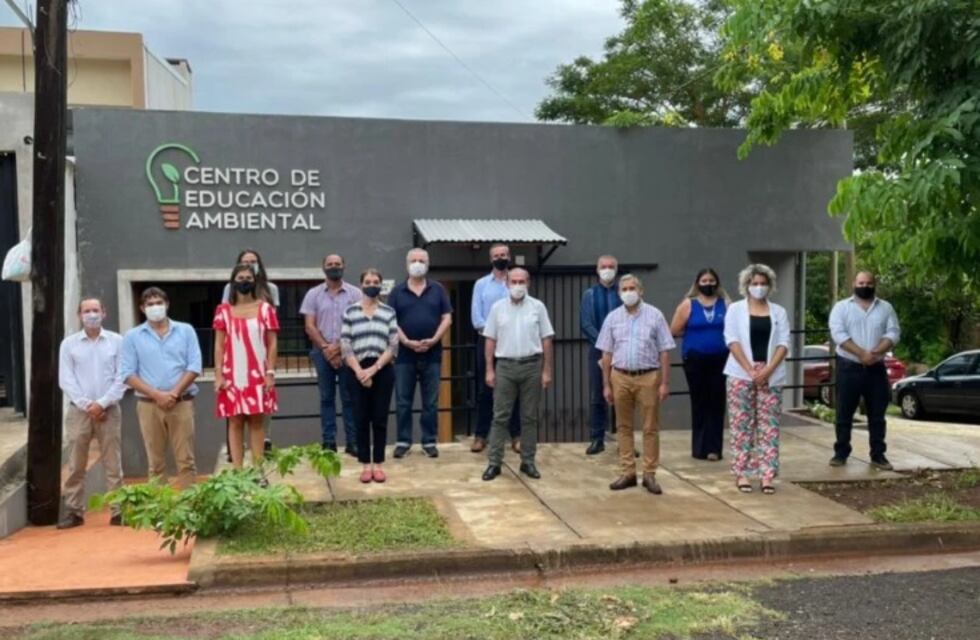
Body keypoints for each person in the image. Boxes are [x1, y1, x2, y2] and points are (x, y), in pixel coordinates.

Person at [598, 274, 675, 495]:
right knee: (623, 426)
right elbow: (606, 352)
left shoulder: (655, 315)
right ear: (619, 292)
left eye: (632, 288)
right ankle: (628, 472)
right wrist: (606, 384)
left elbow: (665, 350)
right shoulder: (612, 318)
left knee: (650, 426)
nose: (628, 292)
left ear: (641, 291)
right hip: (619, 375)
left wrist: (665, 382)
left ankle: (649, 473)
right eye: (624, 289)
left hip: (648, 376)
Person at [56, 298, 127, 529]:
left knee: (112, 461)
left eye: (96, 310)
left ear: (104, 313)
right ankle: (73, 511)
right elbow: (66, 379)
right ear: (79, 315)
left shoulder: (117, 341)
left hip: (110, 410)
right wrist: (89, 405)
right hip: (79, 412)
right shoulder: (69, 344)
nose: (91, 314)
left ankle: (119, 510)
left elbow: (122, 376)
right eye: (87, 311)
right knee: (76, 463)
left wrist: (103, 403)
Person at [122, 287, 202, 489]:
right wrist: (157, 395)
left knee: (186, 461)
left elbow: (194, 366)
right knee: (155, 464)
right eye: (150, 304)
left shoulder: (186, 331)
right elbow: (128, 374)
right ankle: (160, 512)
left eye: (159, 303)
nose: (155, 307)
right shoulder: (132, 337)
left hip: (181, 402)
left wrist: (174, 393)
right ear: (142, 308)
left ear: (167, 304)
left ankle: (189, 508)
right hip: (149, 405)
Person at [481, 268, 554, 481]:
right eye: (514, 281)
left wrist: (547, 370)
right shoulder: (497, 308)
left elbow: (547, 339)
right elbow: (490, 340)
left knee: (529, 417)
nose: (518, 285)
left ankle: (528, 461)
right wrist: (489, 368)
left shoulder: (538, 307)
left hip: (532, 365)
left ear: (528, 283)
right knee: (500, 416)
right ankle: (494, 463)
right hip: (505, 366)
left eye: (522, 281)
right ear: (507, 283)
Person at [723, 264, 790, 494]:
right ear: (746, 286)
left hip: (771, 374)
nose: (758, 287)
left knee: (769, 427)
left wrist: (767, 370)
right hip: (741, 372)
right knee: (741, 426)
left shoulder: (779, 311)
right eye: (754, 283)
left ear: (769, 286)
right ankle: (742, 473)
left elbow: (783, 344)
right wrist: (750, 370)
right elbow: (731, 340)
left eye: (762, 283)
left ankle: (767, 475)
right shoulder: (735, 310)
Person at [828, 271, 901, 470]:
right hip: (848, 366)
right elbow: (838, 334)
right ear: (854, 283)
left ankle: (878, 455)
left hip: (876, 367)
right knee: (844, 413)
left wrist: (876, 352)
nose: (865, 286)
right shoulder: (841, 308)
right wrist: (861, 354)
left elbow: (893, 332)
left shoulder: (886, 308)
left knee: (877, 414)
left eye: (869, 283)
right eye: (861, 282)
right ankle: (841, 453)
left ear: (874, 284)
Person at [213, 264, 279, 469]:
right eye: (240, 277)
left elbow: (273, 343)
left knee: (257, 423)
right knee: (235, 422)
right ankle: (239, 472)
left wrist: (270, 372)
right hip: (232, 374)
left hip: (258, 373)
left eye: (248, 277)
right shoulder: (223, 310)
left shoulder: (266, 309)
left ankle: (258, 471)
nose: (244, 281)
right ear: (233, 282)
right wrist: (218, 375)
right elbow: (218, 345)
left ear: (255, 281)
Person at [389, 248, 452, 459]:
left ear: (428, 264)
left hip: (432, 354)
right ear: (407, 264)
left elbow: (447, 318)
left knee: (431, 402)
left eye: (421, 260)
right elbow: (391, 321)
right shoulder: (397, 292)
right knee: (403, 400)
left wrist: (434, 339)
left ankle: (429, 441)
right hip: (404, 356)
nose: (418, 263)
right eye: (414, 260)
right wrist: (406, 341)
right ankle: (403, 441)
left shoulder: (438, 290)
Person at [341, 269, 399, 483]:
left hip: (382, 369)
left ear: (380, 285)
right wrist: (359, 371)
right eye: (367, 281)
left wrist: (373, 369)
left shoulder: (389, 312)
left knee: (380, 418)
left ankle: (379, 464)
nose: (371, 284)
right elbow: (345, 344)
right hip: (355, 370)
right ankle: (365, 464)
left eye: (375, 281)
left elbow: (393, 344)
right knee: (361, 418)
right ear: (361, 284)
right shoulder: (350, 312)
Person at [300, 254, 362, 454]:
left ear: (344, 266)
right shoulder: (313, 294)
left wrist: (339, 348)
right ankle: (329, 442)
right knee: (326, 398)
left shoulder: (355, 294)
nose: (334, 267)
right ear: (323, 267)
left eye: (337, 264)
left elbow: (359, 324)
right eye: (330, 264)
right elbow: (310, 326)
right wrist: (327, 348)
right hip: (321, 353)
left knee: (349, 398)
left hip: (349, 353)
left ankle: (353, 442)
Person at [670, 268, 730, 461]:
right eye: (704, 281)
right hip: (695, 360)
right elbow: (674, 329)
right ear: (697, 283)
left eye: (711, 280)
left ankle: (714, 449)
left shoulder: (726, 304)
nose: (708, 284)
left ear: (717, 283)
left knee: (717, 402)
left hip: (720, 359)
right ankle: (699, 448)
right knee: (699, 402)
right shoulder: (689, 304)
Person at [470, 243, 520, 453]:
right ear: (491, 259)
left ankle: (517, 436)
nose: (500, 258)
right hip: (488, 341)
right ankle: (481, 436)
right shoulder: (482, 284)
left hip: (513, 342)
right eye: (496, 255)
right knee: (486, 389)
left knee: (514, 389)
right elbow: (476, 317)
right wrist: (492, 333)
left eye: (504, 255)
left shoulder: (516, 283)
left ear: (509, 257)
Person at [580, 255, 622, 455]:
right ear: (597, 270)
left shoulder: (623, 293)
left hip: (623, 350)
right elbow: (585, 324)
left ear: (616, 269)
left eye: (611, 266)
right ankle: (597, 438)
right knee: (598, 394)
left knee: (624, 395)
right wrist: (605, 343)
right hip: (597, 350)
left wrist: (617, 344)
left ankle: (625, 439)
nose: (607, 270)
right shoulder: (589, 294)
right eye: (603, 266)